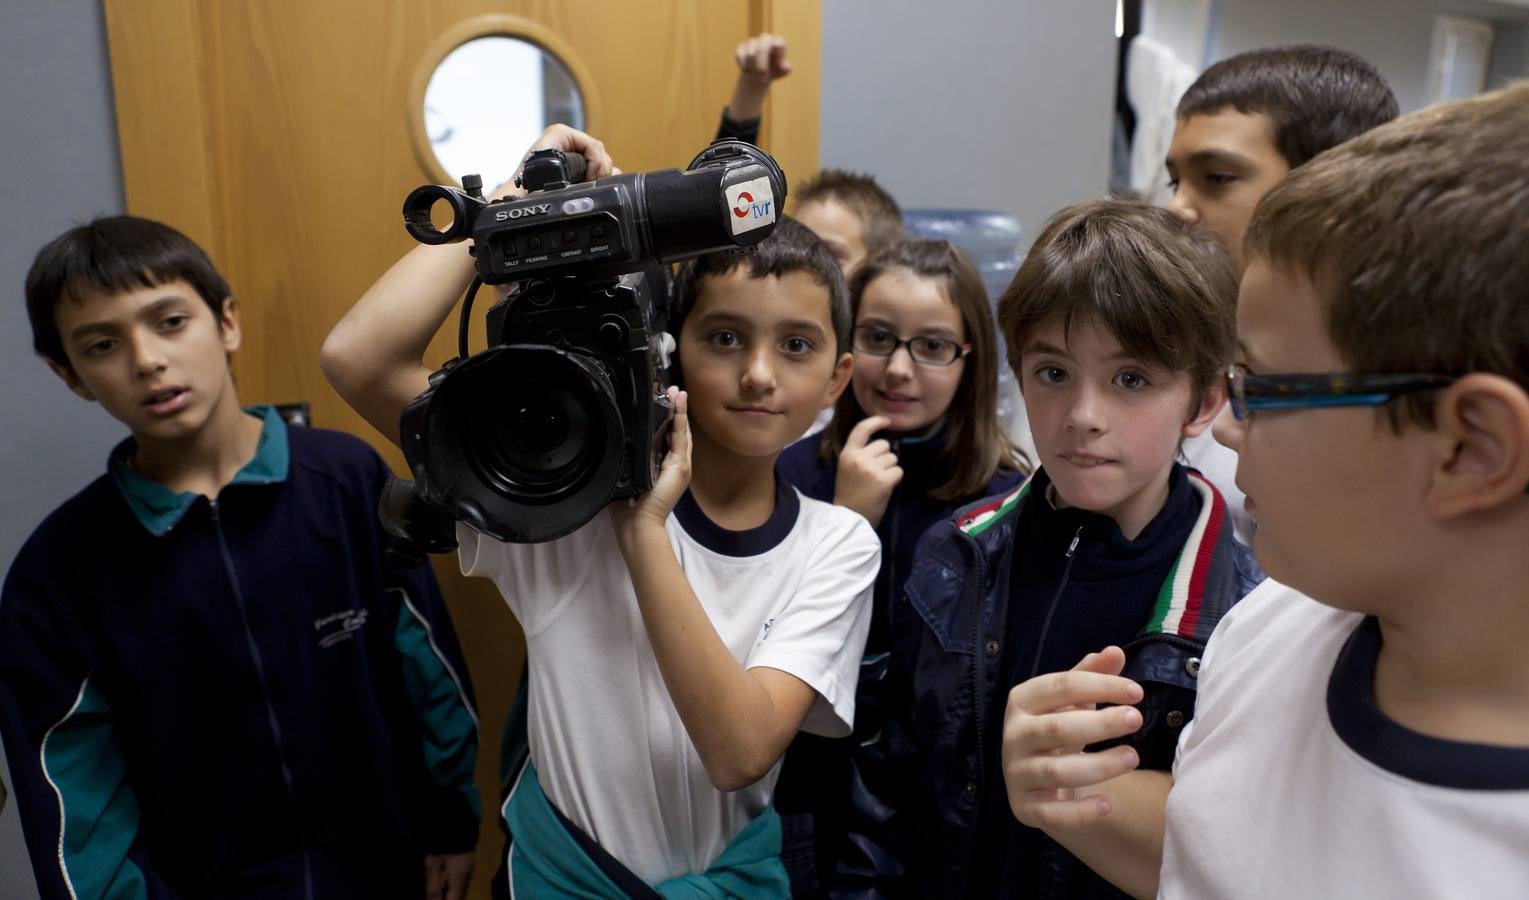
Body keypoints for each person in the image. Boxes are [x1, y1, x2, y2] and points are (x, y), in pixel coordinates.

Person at [321, 125, 879, 896]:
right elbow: (359, 358)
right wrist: (516, 205)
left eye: (795, 346)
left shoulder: (835, 543)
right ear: (673, 347)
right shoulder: (561, 500)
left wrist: (643, 530)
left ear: (837, 376)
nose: (757, 374)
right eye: (723, 337)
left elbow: (737, 751)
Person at [1005, 81, 1529, 899]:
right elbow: (1213, 849)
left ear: (1470, 447)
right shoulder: (1272, 624)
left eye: (1267, 388)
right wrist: (1069, 792)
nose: (1225, 426)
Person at [0, 216, 480, 899]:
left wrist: (450, 824)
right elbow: (74, 804)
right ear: (69, 373)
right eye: (103, 343)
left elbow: (429, 675)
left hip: (386, 870)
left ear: (226, 321)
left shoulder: (346, 482)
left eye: (169, 322)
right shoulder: (58, 575)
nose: (146, 360)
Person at [854, 199, 1260, 898]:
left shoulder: (1242, 615)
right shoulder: (954, 553)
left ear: (1202, 401)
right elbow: (886, 789)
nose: (1082, 417)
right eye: (1052, 373)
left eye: (1130, 379)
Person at [773, 239, 1025, 894]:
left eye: (932, 346)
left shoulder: (1007, 499)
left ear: (970, 359)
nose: (899, 370)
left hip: (944, 814)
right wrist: (848, 525)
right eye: (879, 338)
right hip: (812, 802)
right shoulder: (790, 476)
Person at [1161, 44, 1399, 541]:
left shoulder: (1369, 401)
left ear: (1326, 186)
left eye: (1217, 178)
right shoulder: (1184, 349)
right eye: (1174, 181)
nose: (1177, 208)